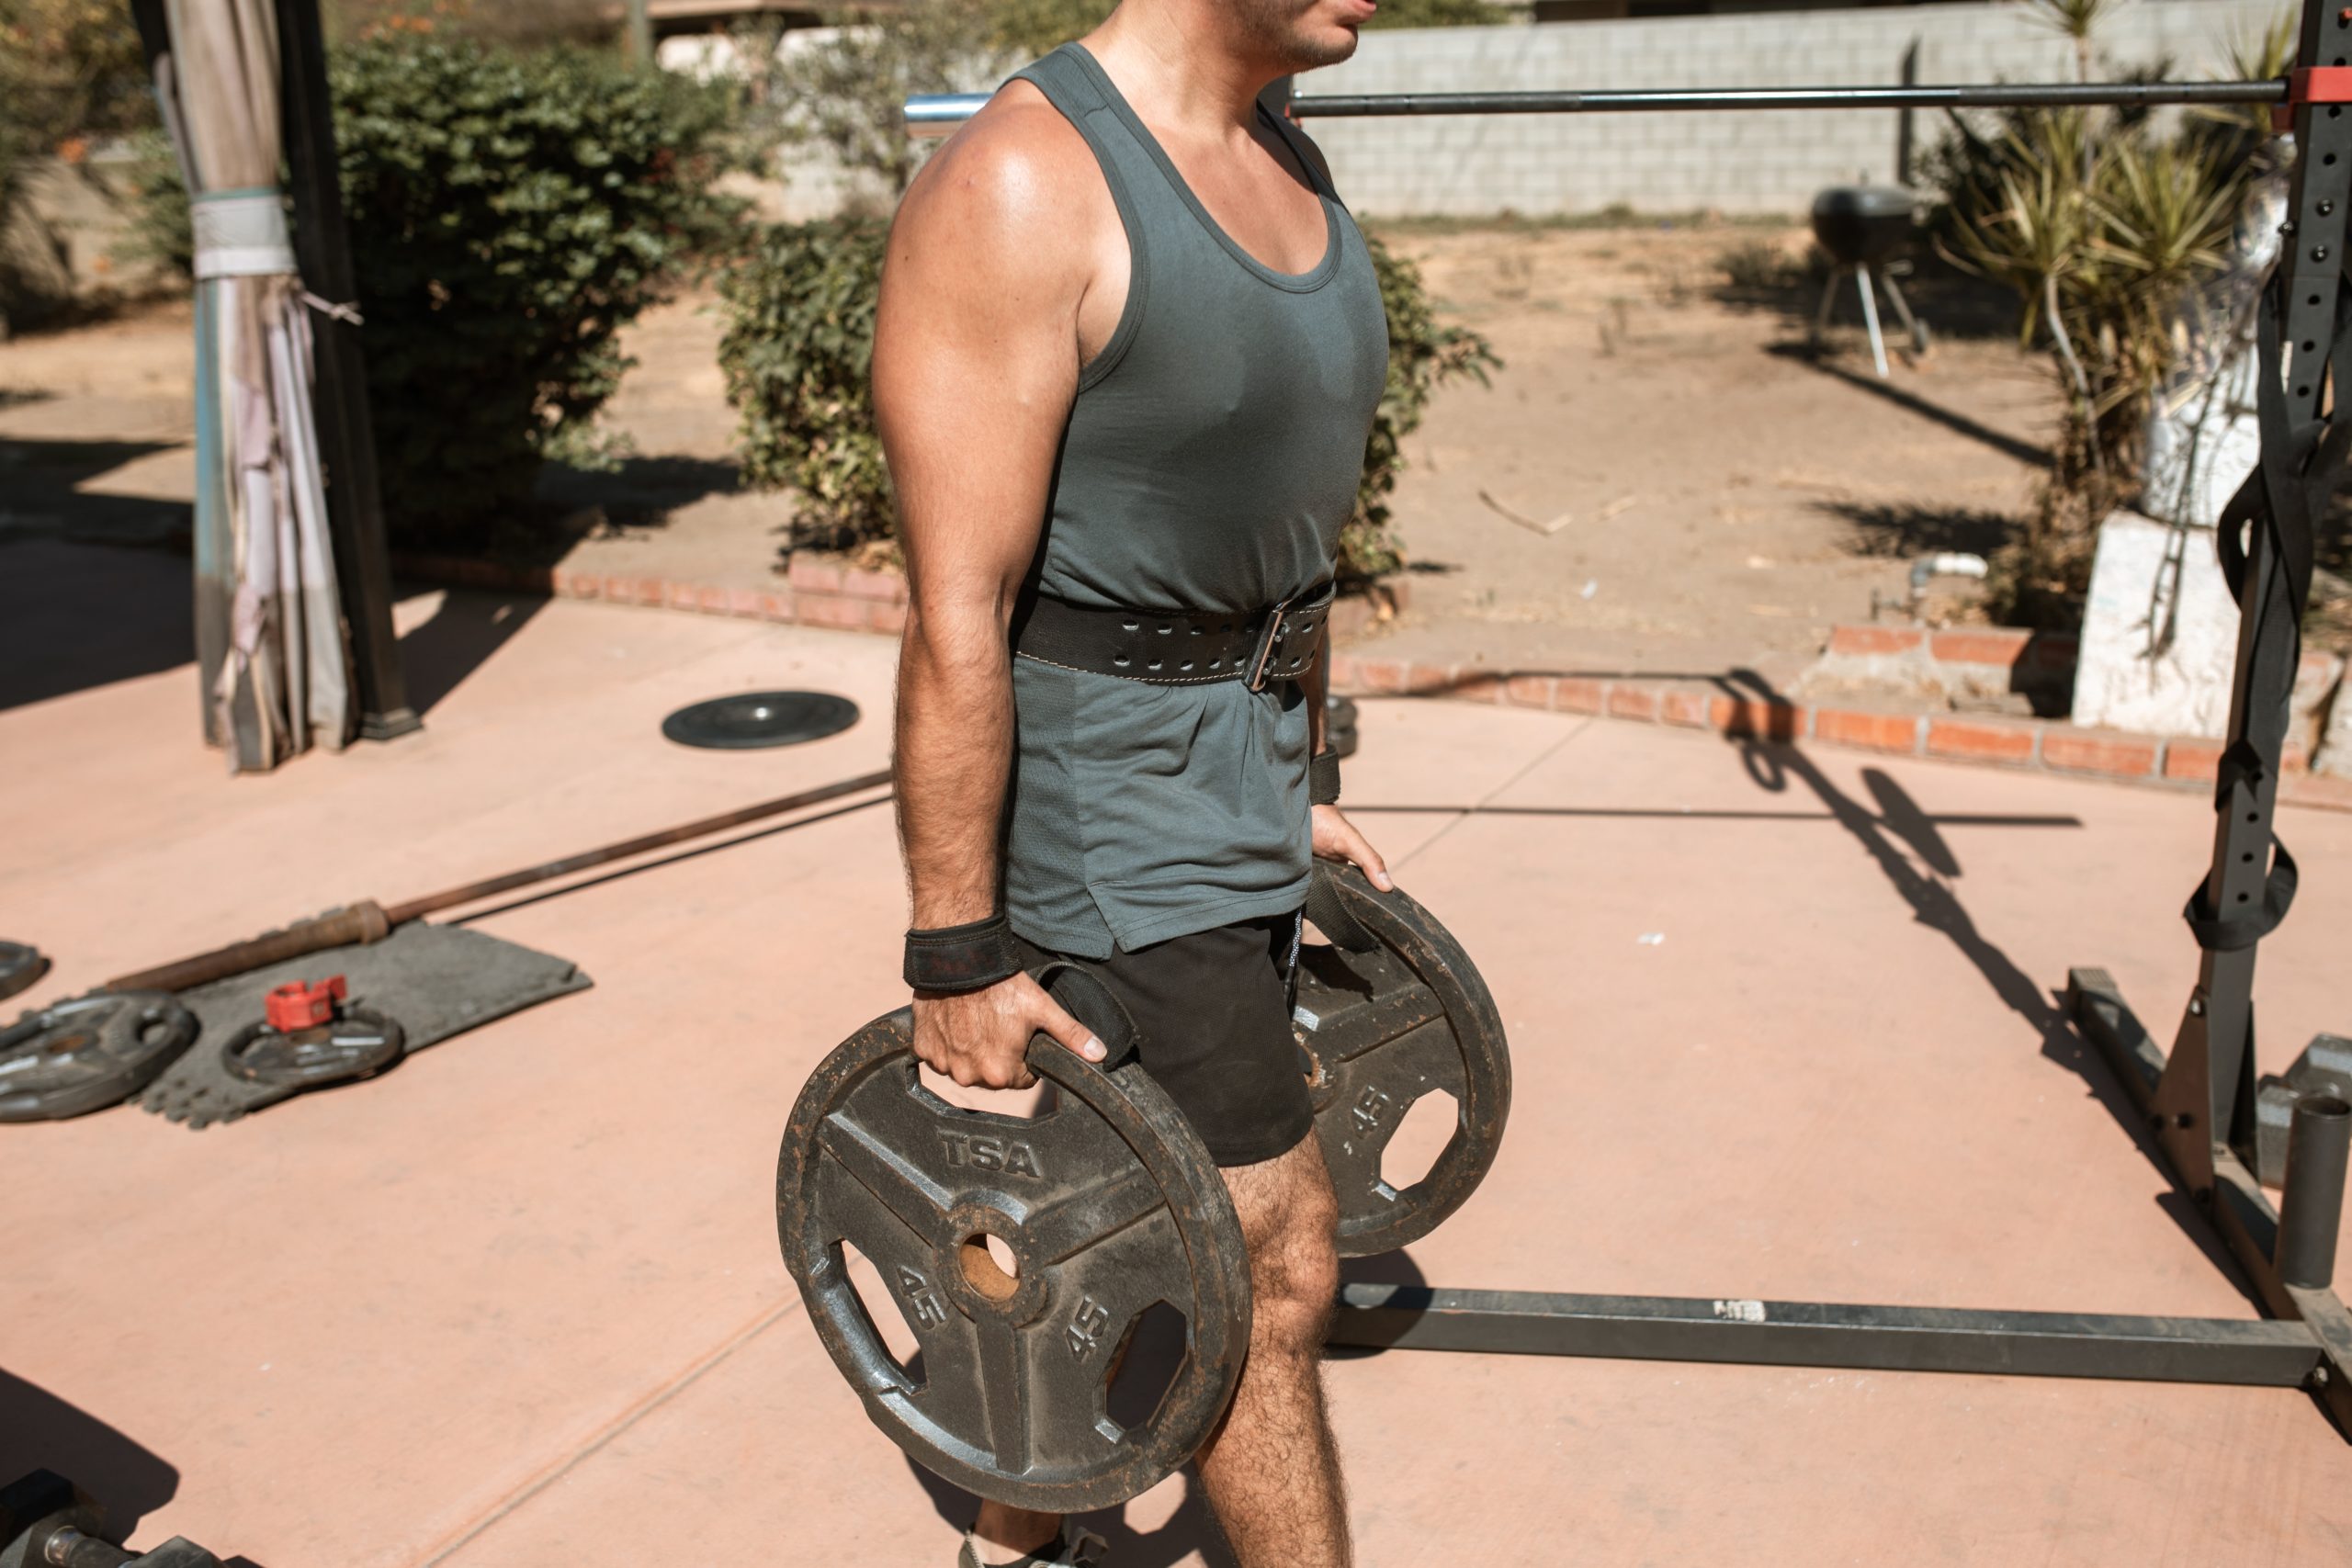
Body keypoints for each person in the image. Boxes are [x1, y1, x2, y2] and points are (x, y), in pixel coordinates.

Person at [876, 0, 1392, 1562]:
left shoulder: (1278, 146)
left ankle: (1008, 1541)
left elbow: (1260, 528)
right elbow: (957, 608)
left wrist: (1293, 772)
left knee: (1109, 1221)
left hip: (1234, 773)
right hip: (1113, 819)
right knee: (1273, 1263)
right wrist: (956, 949)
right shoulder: (1029, 185)